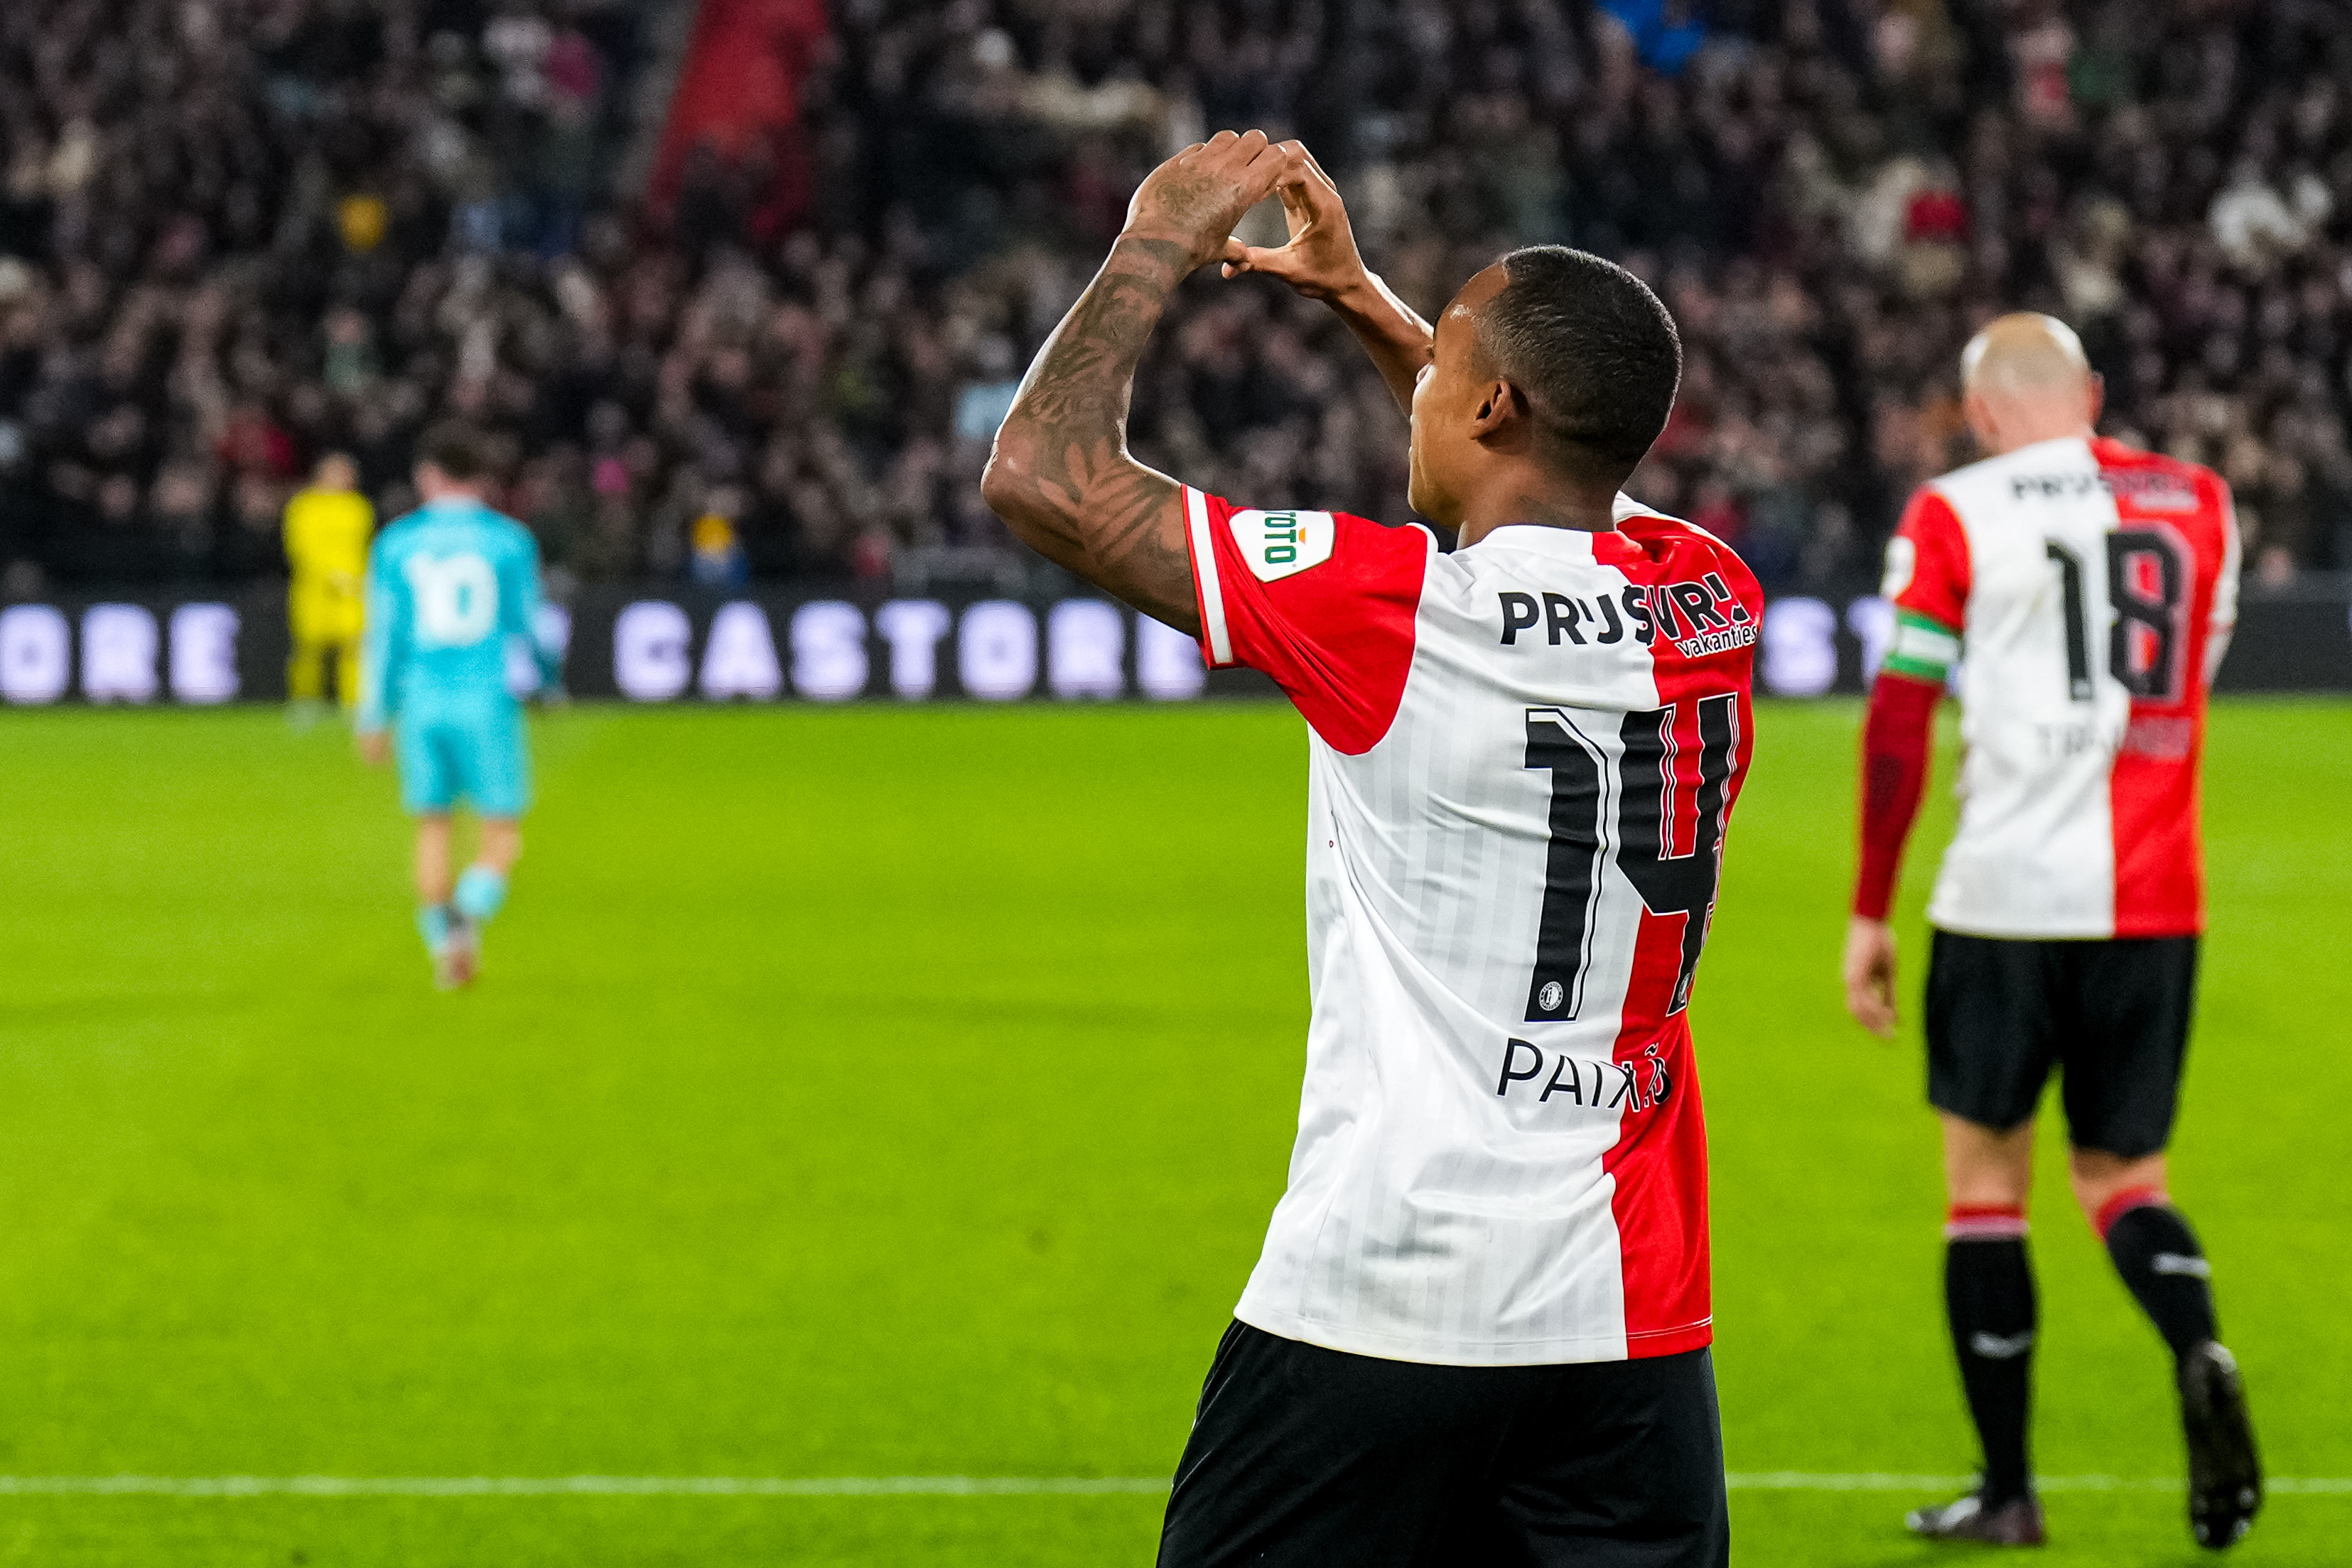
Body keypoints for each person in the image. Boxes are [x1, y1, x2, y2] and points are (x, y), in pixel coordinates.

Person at [982, 131, 1759, 1568]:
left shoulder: (1385, 611)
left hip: (1388, 1294)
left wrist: (1152, 235)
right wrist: (1360, 299)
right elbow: (1535, 452)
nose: (1414, 398)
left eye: (1436, 373)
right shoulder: (1706, 599)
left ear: (1491, 403)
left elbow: (1041, 473)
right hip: (1628, 1316)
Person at [1842, 314, 2257, 1549]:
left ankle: (2010, 1489)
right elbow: (2183, 681)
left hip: (2006, 892)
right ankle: (2200, 1345)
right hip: (2153, 898)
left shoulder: (1954, 510)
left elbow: (1901, 719)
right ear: (2094, 393)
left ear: (1981, 414)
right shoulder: (2202, 504)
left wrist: (1870, 906)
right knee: (2124, 1181)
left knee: (1985, 1186)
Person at [356, 426, 561, 989]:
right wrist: (548, 682)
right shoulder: (508, 541)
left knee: (432, 827)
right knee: (501, 834)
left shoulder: (396, 543)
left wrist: (374, 714)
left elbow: (385, 636)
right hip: (485, 699)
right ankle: (468, 917)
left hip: (421, 703)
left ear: (428, 476)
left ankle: (442, 940)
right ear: (483, 479)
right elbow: (531, 624)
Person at [284, 453, 375, 713]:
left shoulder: (358, 507)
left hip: (351, 590)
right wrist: (330, 574)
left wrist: (356, 579)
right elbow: (300, 548)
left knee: (355, 647)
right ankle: (305, 702)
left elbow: (362, 547)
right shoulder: (303, 507)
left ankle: (354, 702)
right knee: (309, 648)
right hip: (314, 590)